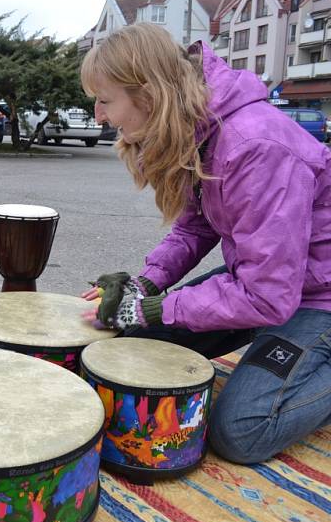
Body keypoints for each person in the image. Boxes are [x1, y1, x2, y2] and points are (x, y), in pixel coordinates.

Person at [78, 23, 331, 464]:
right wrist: (147, 286)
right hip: (267, 282)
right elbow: (196, 228)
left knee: (241, 431)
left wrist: (156, 308)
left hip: (317, 296)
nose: (99, 115)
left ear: (149, 94)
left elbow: (267, 296)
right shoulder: (200, 127)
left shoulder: (253, 145)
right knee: (128, 343)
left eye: (104, 100)